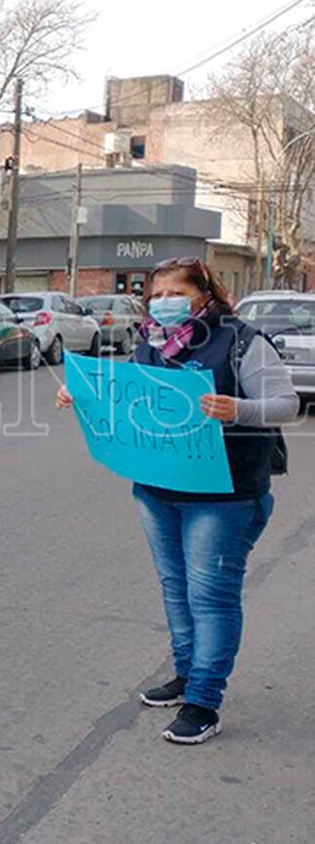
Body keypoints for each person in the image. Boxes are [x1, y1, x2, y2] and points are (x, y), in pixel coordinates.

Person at [56, 257, 298, 745]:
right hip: (158, 487)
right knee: (176, 587)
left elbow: (285, 404)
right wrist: (80, 396)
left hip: (224, 495)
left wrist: (239, 408)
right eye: (156, 295)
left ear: (204, 294)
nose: (163, 303)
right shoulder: (150, 342)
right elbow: (127, 396)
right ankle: (187, 673)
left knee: (211, 596)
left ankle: (205, 701)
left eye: (175, 293)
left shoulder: (242, 341)